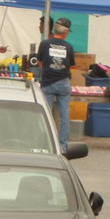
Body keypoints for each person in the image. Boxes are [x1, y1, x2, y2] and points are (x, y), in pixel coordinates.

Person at [39, 17, 75, 153]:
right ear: (65, 32)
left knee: (46, 115)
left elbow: (40, 62)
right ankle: (63, 146)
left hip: (48, 82)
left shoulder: (45, 44)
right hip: (63, 81)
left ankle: (46, 144)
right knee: (64, 115)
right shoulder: (68, 47)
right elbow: (71, 65)